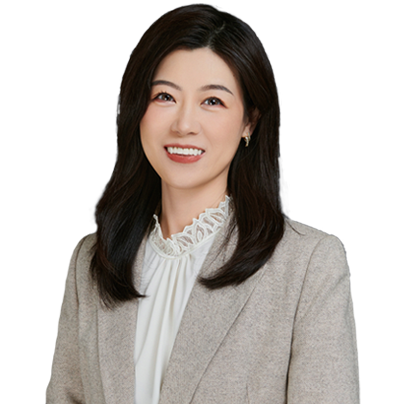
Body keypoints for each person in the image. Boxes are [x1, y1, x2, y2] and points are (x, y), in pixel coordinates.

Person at [47, 4, 360, 404]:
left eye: (212, 101)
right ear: (136, 109)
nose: (183, 125)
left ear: (249, 121)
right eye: (164, 96)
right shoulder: (95, 260)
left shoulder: (307, 267)